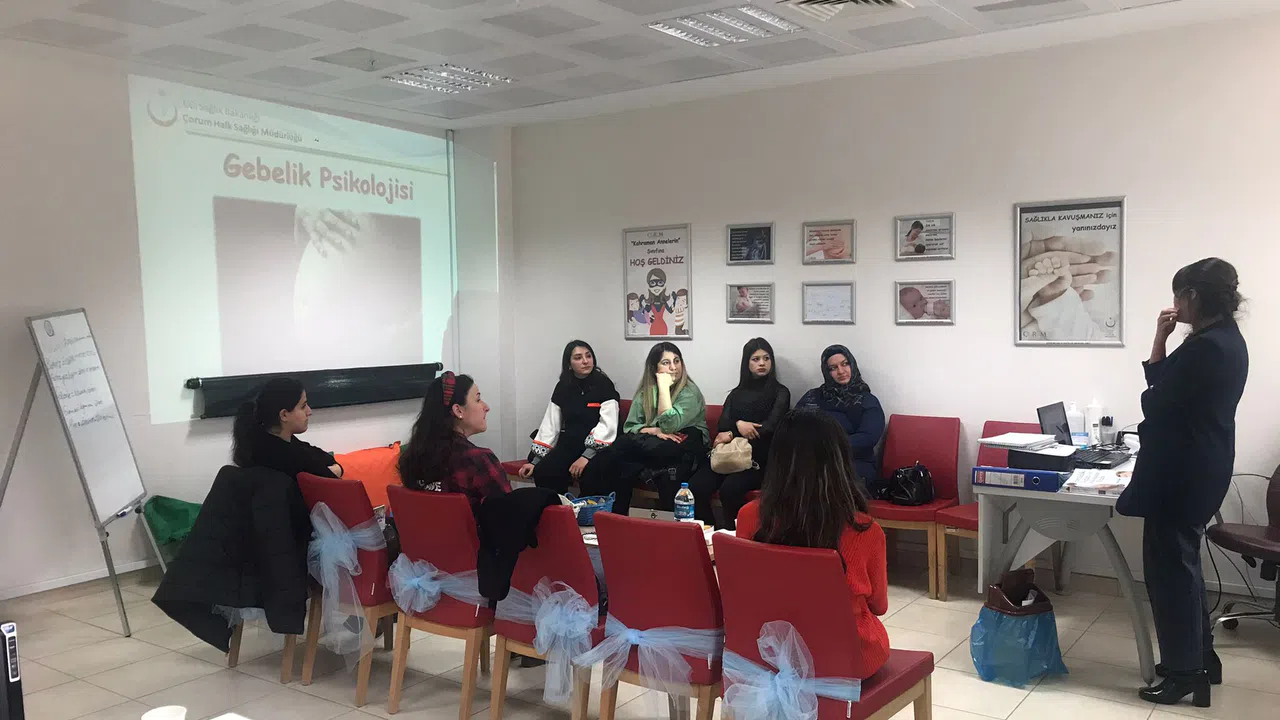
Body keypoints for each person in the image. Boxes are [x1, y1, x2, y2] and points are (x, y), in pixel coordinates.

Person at [1117, 258, 1248, 708]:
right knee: (1182, 567)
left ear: (1192, 295)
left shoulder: (1207, 348)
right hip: (1201, 467)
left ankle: (1184, 673)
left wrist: (1155, 390)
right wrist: (1160, 338)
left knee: (1170, 574)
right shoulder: (1223, 339)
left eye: (1178, 294)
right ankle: (1201, 659)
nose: (1174, 303)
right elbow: (1161, 382)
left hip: (1181, 474)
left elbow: (1155, 402)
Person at [735, 410, 889, 679]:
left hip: (769, 652)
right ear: (840, 461)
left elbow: (744, 591)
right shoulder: (864, 529)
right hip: (844, 659)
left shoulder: (749, 516)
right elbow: (879, 605)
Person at [581, 342, 708, 517]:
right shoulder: (646, 393)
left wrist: (663, 388)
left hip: (681, 448)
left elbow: (669, 425)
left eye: (677, 361)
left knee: (624, 449)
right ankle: (605, 517)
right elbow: (630, 426)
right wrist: (653, 431)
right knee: (610, 462)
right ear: (654, 368)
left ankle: (611, 515)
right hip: (650, 448)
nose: (673, 367)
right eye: (666, 363)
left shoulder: (690, 392)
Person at [687, 338, 790, 528]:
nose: (762, 363)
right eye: (756, 359)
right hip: (728, 455)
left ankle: (733, 536)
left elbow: (769, 427)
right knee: (696, 486)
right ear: (747, 363)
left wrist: (732, 433)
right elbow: (722, 424)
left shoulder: (780, 392)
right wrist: (739, 425)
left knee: (730, 489)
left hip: (759, 460)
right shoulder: (736, 393)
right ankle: (709, 533)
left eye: (766, 358)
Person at [517, 341, 621, 494]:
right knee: (545, 471)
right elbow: (551, 425)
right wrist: (535, 461)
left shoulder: (604, 384)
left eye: (588, 356)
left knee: (592, 473)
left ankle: (587, 510)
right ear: (569, 364)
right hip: (571, 443)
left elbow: (608, 424)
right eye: (578, 358)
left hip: (601, 447)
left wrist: (586, 457)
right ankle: (559, 508)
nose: (585, 361)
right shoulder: (563, 387)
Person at [399, 371, 510, 512]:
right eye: (478, 400)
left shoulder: (411, 458)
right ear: (458, 410)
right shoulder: (478, 460)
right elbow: (510, 514)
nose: (486, 407)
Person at [797, 346, 885, 494]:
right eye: (833, 368)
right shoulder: (812, 397)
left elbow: (868, 438)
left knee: (827, 483)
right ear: (826, 372)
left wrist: (827, 446)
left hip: (854, 463)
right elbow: (794, 426)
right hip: (814, 461)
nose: (841, 371)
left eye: (845, 364)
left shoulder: (867, 401)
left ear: (852, 365)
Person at [232, 377, 343, 480]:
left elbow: (322, 456)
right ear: (284, 415)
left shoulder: (260, 443)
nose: (309, 412)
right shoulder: (294, 459)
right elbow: (330, 477)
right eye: (303, 406)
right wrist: (338, 469)